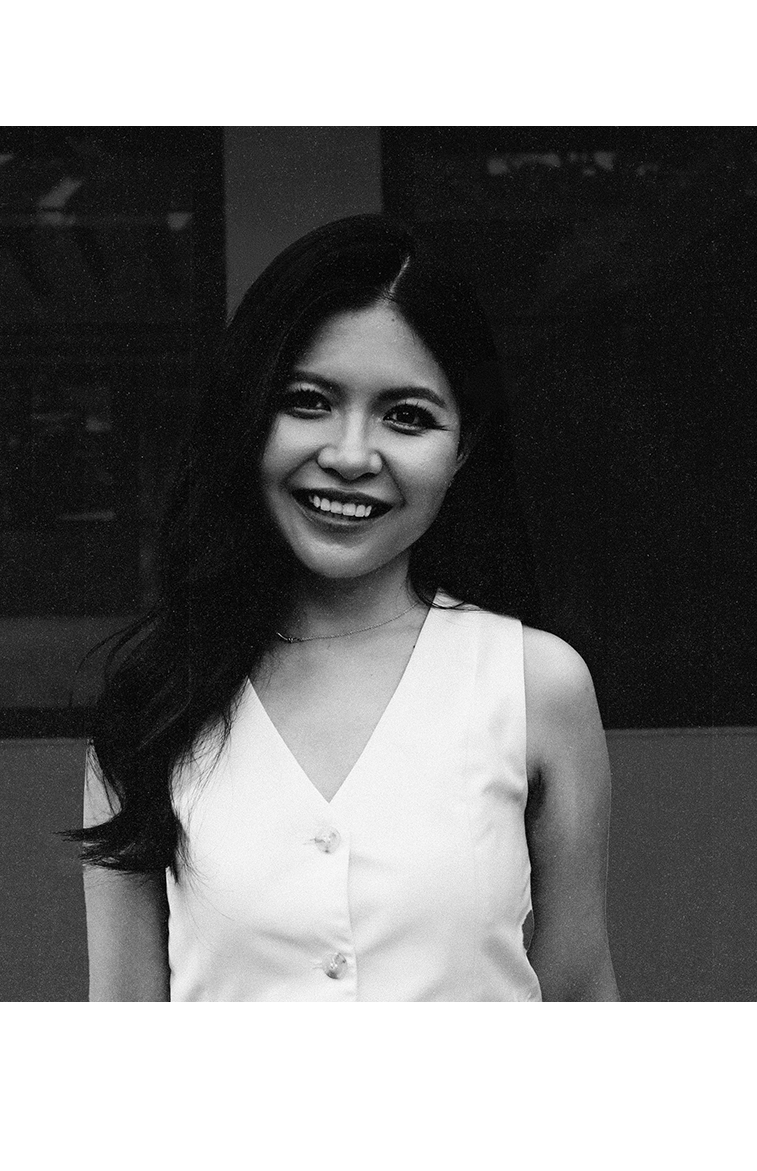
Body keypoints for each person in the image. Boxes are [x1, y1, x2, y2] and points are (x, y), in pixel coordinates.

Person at [71, 215, 617, 1002]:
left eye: (408, 417)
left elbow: (581, 988)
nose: (352, 456)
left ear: (462, 449)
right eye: (308, 401)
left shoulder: (536, 685)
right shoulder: (152, 703)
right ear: (249, 415)